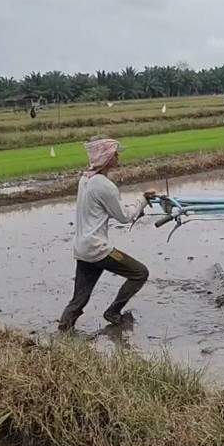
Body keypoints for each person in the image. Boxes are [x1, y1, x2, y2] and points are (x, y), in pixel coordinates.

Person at [58, 135, 155, 332]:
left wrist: (136, 206)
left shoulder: (85, 179)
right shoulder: (104, 185)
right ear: (105, 156)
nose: (118, 157)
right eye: (114, 154)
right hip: (98, 249)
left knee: (79, 298)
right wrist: (143, 199)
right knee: (140, 272)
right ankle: (113, 312)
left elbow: (108, 210)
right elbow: (124, 217)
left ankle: (64, 330)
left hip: (82, 246)